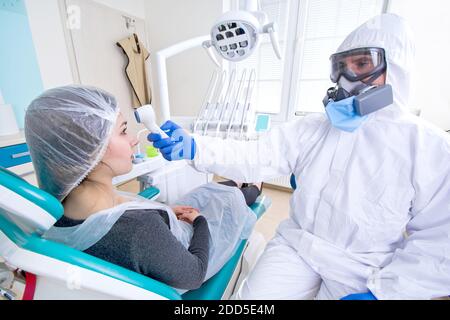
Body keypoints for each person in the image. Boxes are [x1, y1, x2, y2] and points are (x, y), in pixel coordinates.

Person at [148, 13, 450, 299]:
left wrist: (385, 291)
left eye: (361, 64)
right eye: (341, 66)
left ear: (394, 68)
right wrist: (196, 147)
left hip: (363, 264)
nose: (347, 77)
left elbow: (441, 240)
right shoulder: (314, 127)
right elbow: (256, 154)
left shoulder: (428, 147)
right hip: (299, 244)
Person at [24, 85, 259, 291]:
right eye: (123, 131)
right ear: (92, 147)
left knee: (205, 193)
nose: (134, 140)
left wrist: (162, 211)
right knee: (228, 197)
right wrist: (199, 222)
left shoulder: (60, 212)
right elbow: (194, 275)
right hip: (186, 249)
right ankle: (252, 185)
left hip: (161, 241)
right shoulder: (140, 231)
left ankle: (240, 184)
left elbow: (123, 214)